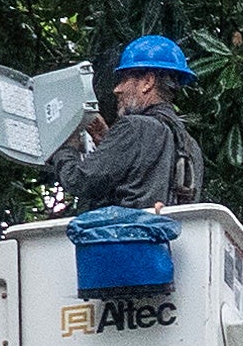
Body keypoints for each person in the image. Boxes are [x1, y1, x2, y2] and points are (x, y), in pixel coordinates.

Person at [52, 33, 205, 212]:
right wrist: (107, 140)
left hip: (128, 236)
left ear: (147, 82)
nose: (117, 89)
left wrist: (64, 145)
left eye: (125, 80)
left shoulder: (134, 127)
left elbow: (79, 181)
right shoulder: (190, 146)